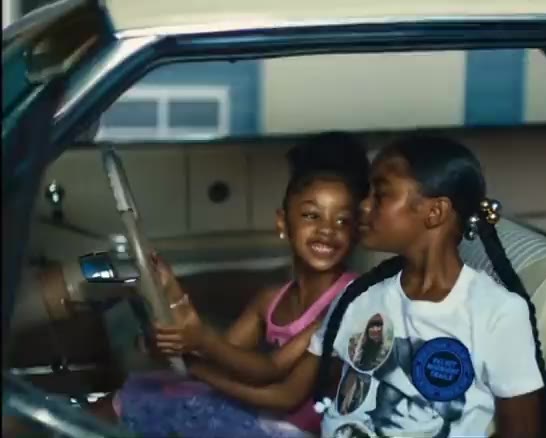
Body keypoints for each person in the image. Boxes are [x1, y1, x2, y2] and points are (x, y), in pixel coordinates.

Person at [200, 133, 545, 438]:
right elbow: (293, 389)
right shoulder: (358, 299)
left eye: (380, 195)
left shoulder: (497, 312)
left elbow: (521, 431)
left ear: (435, 212)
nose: (362, 206)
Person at [94, 131, 370, 438]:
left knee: (146, 404)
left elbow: (282, 390)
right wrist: (172, 295)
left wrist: (196, 357)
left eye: (341, 220)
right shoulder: (270, 299)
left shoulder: (350, 300)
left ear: (356, 230)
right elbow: (226, 354)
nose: (326, 230)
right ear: (283, 223)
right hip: (264, 415)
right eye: (311, 215)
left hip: (292, 427)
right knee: (130, 399)